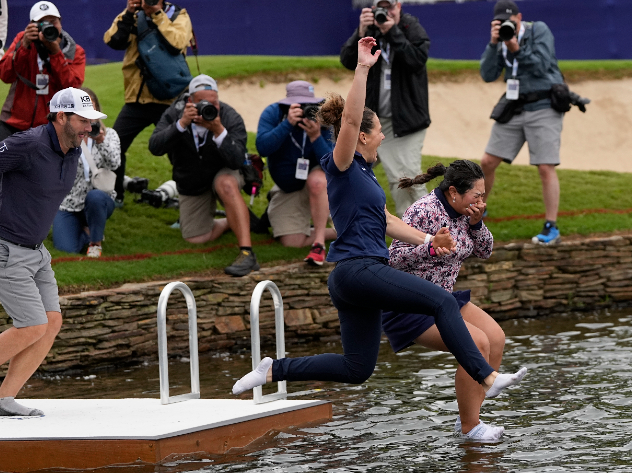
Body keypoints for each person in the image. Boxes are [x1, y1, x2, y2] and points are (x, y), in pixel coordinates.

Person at [231, 37, 526, 406]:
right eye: (378, 131)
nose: (383, 135)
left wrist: (429, 242)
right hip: (359, 269)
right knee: (443, 302)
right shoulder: (341, 165)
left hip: (353, 279)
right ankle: (486, 376)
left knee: (358, 368)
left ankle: (274, 369)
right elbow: (352, 118)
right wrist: (363, 68)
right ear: (361, 136)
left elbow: (386, 220)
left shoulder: (365, 177)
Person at [0, 87, 105, 416]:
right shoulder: (28, 143)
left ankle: (3, 400)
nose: (91, 127)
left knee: (51, 321)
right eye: (84, 121)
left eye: (92, 121)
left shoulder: (72, 149)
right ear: (61, 117)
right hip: (5, 248)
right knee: (32, 325)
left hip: (36, 251)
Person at [382, 160, 507, 440]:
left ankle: (469, 419)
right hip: (410, 304)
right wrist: (431, 248)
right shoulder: (424, 211)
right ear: (454, 191)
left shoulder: (466, 214)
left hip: (444, 298)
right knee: (477, 343)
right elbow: (393, 259)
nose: (481, 200)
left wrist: (476, 223)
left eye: (482, 195)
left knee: (496, 338)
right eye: (477, 195)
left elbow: (485, 251)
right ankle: (469, 427)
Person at [148, 74, 258, 277]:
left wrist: (219, 131)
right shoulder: (175, 114)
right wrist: (181, 124)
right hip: (193, 181)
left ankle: (247, 253)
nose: (210, 106)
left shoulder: (229, 116)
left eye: (214, 102)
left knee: (225, 183)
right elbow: (154, 147)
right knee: (195, 238)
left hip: (225, 173)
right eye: (203, 103)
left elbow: (236, 160)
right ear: (190, 101)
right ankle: (231, 220)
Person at [479, 0, 565, 245]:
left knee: (545, 167)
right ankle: (479, 210)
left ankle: (551, 226)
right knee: (487, 161)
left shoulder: (539, 30)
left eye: (510, 21)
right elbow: (487, 75)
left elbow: (542, 65)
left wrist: (515, 47)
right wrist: (495, 43)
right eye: (500, 22)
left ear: (519, 18)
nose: (508, 25)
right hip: (515, 107)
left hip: (544, 105)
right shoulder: (500, 41)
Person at [339, 0, 430, 217]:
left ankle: (425, 228)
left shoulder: (410, 28)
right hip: (375, 120)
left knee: (408, 177)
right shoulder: (370, 31)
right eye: (380, 7)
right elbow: (346, 60)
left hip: (407, 121)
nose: (385, 13)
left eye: (389, 7)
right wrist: (359, 32)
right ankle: (349, 219)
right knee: (347, 167)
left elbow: (417, 60)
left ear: (399, 6)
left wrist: (392, 32)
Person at [104, 0, 192, 206]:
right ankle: (116, 196)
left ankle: (190, 203)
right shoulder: (133, 14)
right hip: (138, 99)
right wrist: (128, 13)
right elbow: (113, 40)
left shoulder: (178, 15)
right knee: (114, 145)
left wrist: (158, 14)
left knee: (182, 154)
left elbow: (177, 43)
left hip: (169, 99)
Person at [255, 81, 336, 266]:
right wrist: (287, 125)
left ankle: (319, 244)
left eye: (309, 105)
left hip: (318, 184)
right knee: (292, 242)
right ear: (288, 104)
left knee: (317, 181)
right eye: (300, 105)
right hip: (288, 188)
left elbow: (332, 164)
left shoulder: (322, 117)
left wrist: (316, 137)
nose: (306, 110)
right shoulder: (274, 113)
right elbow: (262, 148)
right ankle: (339, 232)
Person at [0, 1, 85, 141]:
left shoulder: (74, 50)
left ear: (60, 22)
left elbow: (72, 88)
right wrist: (24, 46)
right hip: (14, 123)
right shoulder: (22, 39)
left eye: (53, 21)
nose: (49, 26)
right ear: (32, 25)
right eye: (42, 23)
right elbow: (5, 75)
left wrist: (55, 53)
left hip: (51, 127)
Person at [52, 88, 120, 258]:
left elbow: (115, 163)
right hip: (69, 203)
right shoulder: (64, 137)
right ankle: (89, 231)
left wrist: (101, 141)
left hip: (100, 200)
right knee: (66, 248)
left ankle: (95, 243)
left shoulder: (110, 135)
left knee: (95, 197)